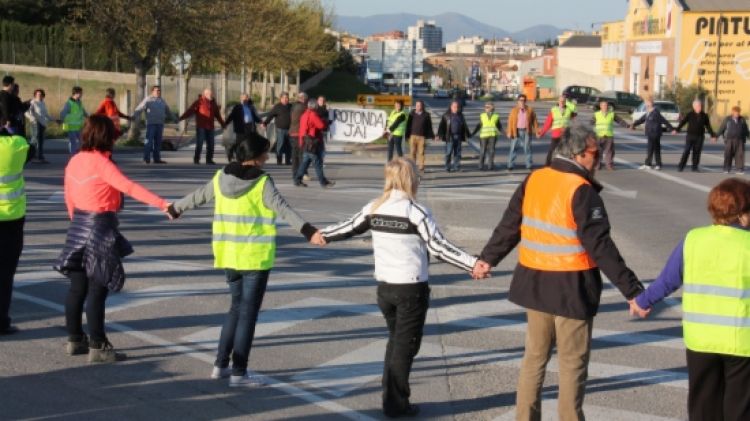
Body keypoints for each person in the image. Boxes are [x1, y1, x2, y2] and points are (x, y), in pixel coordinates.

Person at [472, 124, 645, 420]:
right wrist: (633, 291)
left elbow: (510, 224)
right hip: (570, 288)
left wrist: (487, 258)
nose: (599, 158)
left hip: (535, 284)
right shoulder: (581, 190)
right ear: (579, 154)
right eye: (595, 152)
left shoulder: (535, 178)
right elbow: (601, 246)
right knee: (572, 364)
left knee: (533, 360)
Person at [321, 158, 482, 418]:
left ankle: (391, 398)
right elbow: (439, 248)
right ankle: (396, 405)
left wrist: (321, 235)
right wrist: (472, 264)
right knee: (406, 348)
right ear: (410, 179)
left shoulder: (375, 208)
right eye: (416, 176)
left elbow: (348, 227)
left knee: (396, 343)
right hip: (411, 289)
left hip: (385, 288)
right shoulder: (415, 211)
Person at [169, 132, 324, 387]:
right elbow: (283, 209)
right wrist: (309, 232)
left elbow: (199, 195)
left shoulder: (221, 177)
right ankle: (239, 372)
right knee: (248, 315)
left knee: (235, 308)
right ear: (256, 156)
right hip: (254, 258)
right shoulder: (262, 182)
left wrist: (175, 209)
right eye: (266, 151)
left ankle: (220, 365)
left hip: (228, 255)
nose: (268, 154)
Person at [630, 178, 750, 421]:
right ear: (743, 214)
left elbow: (668, 279)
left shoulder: (693, 239)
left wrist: (643, 301)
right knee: (739, 410)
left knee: (703, 407)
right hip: (742, 341)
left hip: (700, 339)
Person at [54, 115, 171, 363]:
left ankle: (75, 339)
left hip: (78, 225)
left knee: (77, 288)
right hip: (100, 227)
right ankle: (98, 345)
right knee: (98, 287)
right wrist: (163, 204)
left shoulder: (75, 160)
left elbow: (69, 195)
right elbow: (129, 187)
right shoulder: (102, 164)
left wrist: (76, 220)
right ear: (106, 137)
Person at [0, 118, 30, 335]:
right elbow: (31, 147)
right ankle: (1, 321)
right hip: (11, 219)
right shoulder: (17, 145)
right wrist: (10, 128)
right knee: (5, 273)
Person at [294, 99, 335, 188]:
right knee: (318, 163)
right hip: (312, 142)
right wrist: (326, 122)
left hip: (305, 141)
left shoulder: (304, 115)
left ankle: (297, 179)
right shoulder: (313, 115)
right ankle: (323, 182)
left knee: (305, 163)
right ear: (314, 107)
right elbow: (321, 125)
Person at [180, 88, 225, 165]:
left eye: (211, 94)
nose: (210, 95)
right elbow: (190, 110)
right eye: (208, 94)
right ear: (204, 94)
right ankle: (196, 159)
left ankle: (209, 159)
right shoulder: (199, 102)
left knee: (211, 144)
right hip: (201, 126)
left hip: (210, 126)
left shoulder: (213, 103)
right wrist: (182, 118)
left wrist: (223, 124)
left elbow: (218, 115)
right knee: (199, 143)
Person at [134, 85, 174, 164]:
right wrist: (134, 116)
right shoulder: (148, 99)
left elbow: (168, 110)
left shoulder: (162, 100)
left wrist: (175, 118)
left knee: (158, 143)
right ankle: (146, 158)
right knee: (148, 142)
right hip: (151, 124)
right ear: (152, 91)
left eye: (159, 90)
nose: (158, 92)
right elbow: (140, 108)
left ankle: (157, 159)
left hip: (160, 124)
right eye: (157, 90)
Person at [631, 97, 674, 171]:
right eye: (645, 103)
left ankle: (649, 164)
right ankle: (658, 164)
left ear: (651, 103)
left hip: (655, 133)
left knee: (651, 149)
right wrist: (633, 125)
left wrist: (672, 129)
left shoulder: (655, 112)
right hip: (650, 133)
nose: (646, 104)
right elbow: (641, 120)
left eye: (647, 103)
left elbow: (664, 120)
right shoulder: (648, 112)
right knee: (655, 149)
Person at [674, 99, 717, 172]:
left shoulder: (705, 115)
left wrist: (712, 136)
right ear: (694, 107)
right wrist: (677, 129)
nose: (699, 107)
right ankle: (681, 166)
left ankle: (694, 167)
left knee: (697, 152)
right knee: (686, 151)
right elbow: (683, 122)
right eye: (697, 106)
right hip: (690, 136)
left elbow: (708, 126)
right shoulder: (690, 114)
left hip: (699, 137)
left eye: (700, 106)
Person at [589, 99, 629, 171]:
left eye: (606, 105)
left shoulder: (612, 114)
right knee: (598, 152)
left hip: (609, 136)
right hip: (599, 136)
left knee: (609, 151)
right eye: (603, 105)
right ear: (600, 106)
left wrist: (627, 125)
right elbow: (590, 123)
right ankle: (597, 165)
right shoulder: (596, 114)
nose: (605, 107)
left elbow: (620, 120)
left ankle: (609, 165)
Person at [537, 94, 575, 166]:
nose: (562, 102)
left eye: (563, 101)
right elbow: (547, 124)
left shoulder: (569, 110)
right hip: (556, 134)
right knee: (552, 150)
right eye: (561, 101)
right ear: (558, 101)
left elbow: (573, 120)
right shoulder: (554, 110)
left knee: (568, 151)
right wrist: (541, 133)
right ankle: (547, 165)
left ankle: (568, 165)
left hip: (566, 134)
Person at [225, 93, 261, 162]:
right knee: (240, 143)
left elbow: (254, 117)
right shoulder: (237, 107)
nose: (247, 99)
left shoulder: (250, 107)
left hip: (250, 127)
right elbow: (231, 116)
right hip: (241, 128)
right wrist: (225, 124)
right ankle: (234, 154)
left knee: (248, 143)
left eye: (247, 98)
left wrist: (261, 122)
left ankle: (246, 158)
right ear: (241, 98)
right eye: (245, 98)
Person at [437, 100, 471, 172]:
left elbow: (465, 126)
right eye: (454, 107)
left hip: (458, 136)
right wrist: (439, 135)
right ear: (451, 107)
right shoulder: (446, 115)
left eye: (457, 107)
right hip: (450, 137)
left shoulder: (461, 116)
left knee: (457, 153)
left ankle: (456, 167)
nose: (456, 108)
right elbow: (441, 127)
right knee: (448, 152)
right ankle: (447, 167)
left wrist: (468, 134)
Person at [506, 94, 538, 171]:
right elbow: (510, 122)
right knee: (513, 149)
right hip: (516, 131)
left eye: (523, 100)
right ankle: (510, 165)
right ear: (518, 101)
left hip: (526, 131)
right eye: (520, 100)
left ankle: (529, 165)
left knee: (527, 148)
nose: (522, 102)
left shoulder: (530, 110)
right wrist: (509, 132)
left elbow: (535, 121)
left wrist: (537, 131)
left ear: (525, 101)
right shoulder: (514, 110)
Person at [717, 106, 749, 174]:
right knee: (728, 154)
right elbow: (721, 128)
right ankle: (726, 168)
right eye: (735, 112)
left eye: (738, 112)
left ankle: (739, 169)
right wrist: (716, 136)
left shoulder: (742, 119)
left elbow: (746, 130)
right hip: (729, 139)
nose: (737, 114)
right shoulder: (727, 119)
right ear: (732, 112)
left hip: (740, 140)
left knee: (740, 155)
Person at [262, 92, 292, 165]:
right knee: (280, 145)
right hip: (280, 129)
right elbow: (270, 115)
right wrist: (265, 123)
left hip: (290, 129)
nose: (285, 99)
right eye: (284, 98)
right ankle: (279, 161)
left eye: (287, 98)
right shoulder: (277, 107)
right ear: (280, 99)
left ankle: (288, 161)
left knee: (289, 145)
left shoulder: (291, 106)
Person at [471, 102, 503, 171]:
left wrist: (506, 133)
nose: (486, 108)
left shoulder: (496, 116)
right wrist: (473, 133)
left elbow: (499, 126)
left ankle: (490, 165)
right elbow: (479, 125)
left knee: (491, 151)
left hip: (493, 136)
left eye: (488, 107)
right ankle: (480, 165)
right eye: (485, 107)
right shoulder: (482, 115)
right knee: (483, 151)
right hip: (483, 136)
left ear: (492, 108)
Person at [404, 100, 434, 173]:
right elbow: (408, 125)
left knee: (421, 153)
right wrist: (406, 135)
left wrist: (432, 135)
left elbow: (429, 126)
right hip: (412, 136)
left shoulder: (426, 115)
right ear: (415, 106)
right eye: (417, 105)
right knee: (412, 152)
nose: (418, 107)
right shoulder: (412, 114)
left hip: (422, 137)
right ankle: (413, 166)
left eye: (420, 105)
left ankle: (421, 167)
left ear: (422, 106)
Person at [25, 89, 53, 163]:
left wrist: (54, 120)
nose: (39, 96)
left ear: (43, 95)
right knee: (34, 140)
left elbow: (46, 114)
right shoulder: (33, 102)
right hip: (35, 124)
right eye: (38, 94)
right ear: (35, 95)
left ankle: (40, 156)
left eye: (41, 94)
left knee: (41, 141)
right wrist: (32, 118)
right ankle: (31, 155)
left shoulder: (42, 103)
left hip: (42, 124)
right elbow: (26, 112)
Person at [60, 86, 88, 154]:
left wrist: (88, 116)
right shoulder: (69, 103)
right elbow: (62, 113)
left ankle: (81, 155)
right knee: (73, 143)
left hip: (79, 126)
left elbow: (83, 111)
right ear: (76, 93)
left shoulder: (79, 102)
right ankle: (73, 156)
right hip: (71, 127)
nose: (81, 95)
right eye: (80, 93)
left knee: (82, 141)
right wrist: (63, 122)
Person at [288, 92, 308, 178]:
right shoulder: (302, 107)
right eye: (306, 99)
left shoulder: (294, 106)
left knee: (295, 153)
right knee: (300, 154)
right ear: (303, 98)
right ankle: (300, 173)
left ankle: (295, 173)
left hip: (293, 132)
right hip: (298, 133)